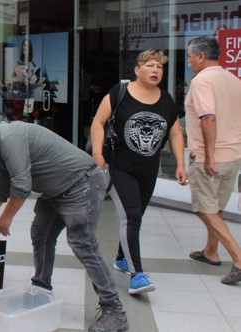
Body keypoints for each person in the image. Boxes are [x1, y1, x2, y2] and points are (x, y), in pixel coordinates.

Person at [0, 112, 128, 332]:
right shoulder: (0, 144)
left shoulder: (10, 138)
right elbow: (2, 185)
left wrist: (6, 217)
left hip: (81, 183)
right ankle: (41, 289)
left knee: (83, 244)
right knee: (41, 234)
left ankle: (114, 309)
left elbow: (21, 185)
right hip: (55, 190)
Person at [91, 49, 188, 295]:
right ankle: (137, 275)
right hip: (120, 166)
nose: (156, 70)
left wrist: (180, 164)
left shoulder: (165, 100)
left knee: (136, 216)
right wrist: (97, 154)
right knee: (131, 216)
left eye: (160, 67)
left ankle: (122, 259)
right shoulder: (120, 93)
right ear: (137, 69)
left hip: (148, 169)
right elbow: (98, 122)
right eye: (150, 65)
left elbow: (176, 133)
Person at [185, 36, 241, 285]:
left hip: (212, 157)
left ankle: (239, 258)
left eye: (189, 56)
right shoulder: (233, 79)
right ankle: (210, 251)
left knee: (205, 209)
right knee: (216, 207)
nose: (188, 61)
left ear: (200, 56)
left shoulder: (202, 81)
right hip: (233, 155)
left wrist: (208, 156)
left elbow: (208, 118)